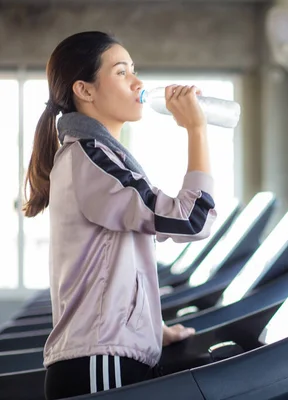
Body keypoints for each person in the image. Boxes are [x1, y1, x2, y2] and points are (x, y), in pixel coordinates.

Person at [22, 31, 217, 400]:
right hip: (99, 363)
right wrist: (197, 129)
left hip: (106, 357)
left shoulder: (101, 157)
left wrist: (151, 328)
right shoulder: (89, 157)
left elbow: (112, 262)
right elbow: (192, 220)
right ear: (85, 90)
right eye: (122, 72)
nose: (137, 82)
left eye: (134, 70)